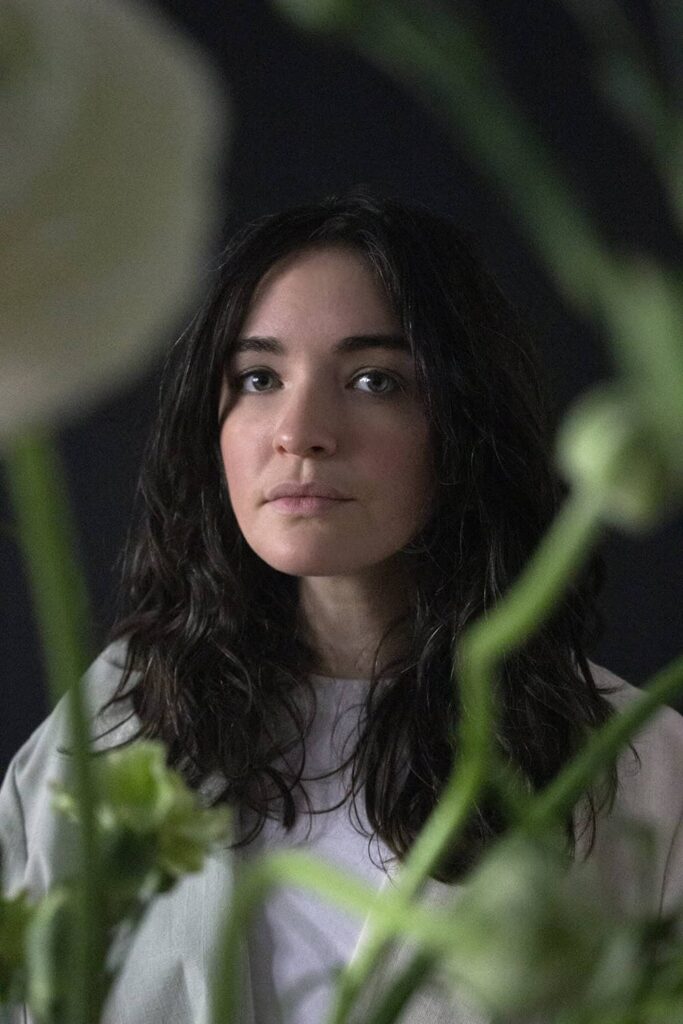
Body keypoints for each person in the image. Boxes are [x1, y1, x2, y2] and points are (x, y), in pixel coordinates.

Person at [1, 187, 682, 1024]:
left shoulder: (637, 767)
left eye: (373, 380)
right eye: (257, 377)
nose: (300, 430)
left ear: (464, 421)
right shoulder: (101, 737)